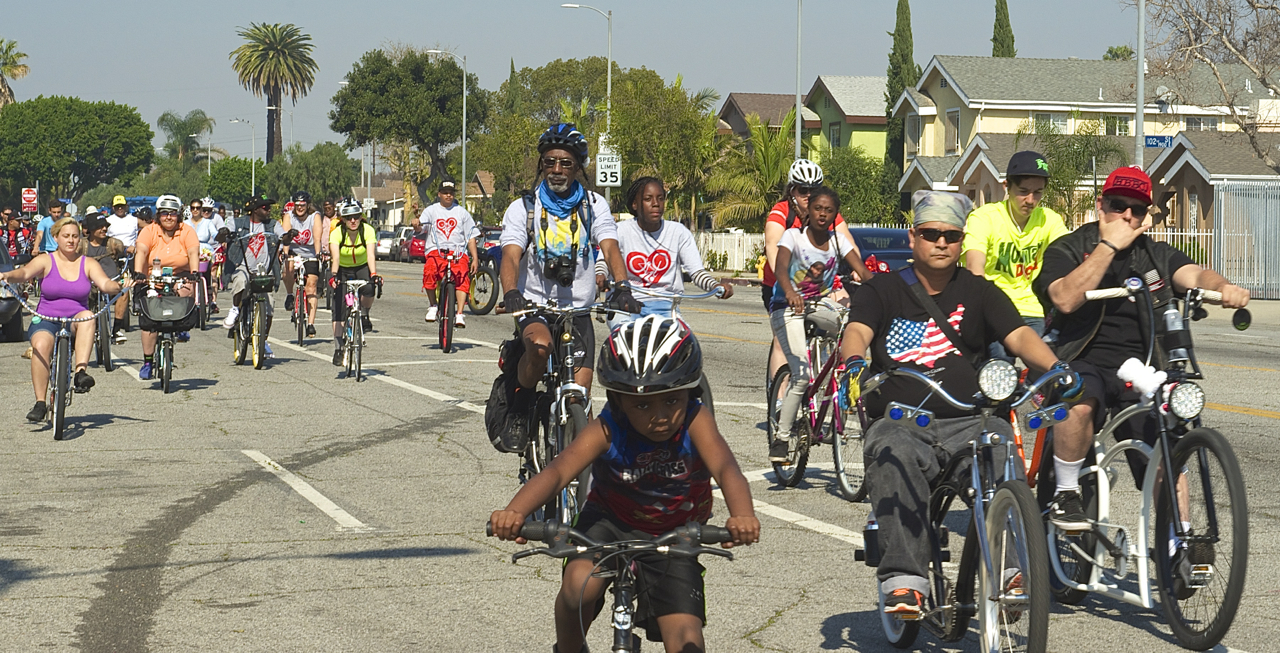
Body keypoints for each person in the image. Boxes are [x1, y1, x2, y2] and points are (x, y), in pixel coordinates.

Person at [837, 190, 1081, 615]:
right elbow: (857, 330)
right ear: (913, 236)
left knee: (1001, 449)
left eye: (951, 236)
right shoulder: (882, 289)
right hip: (902, 420)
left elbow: (1020, 336)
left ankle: (1011, 571)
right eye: (931, 233)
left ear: (961, 241)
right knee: (893, 452)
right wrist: (854, 362)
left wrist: (1057, 367)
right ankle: (905, 581)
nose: (941, 242)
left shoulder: (980, 291)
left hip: (971, 419)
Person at [489, 316, 760, 653]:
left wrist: (742, 514)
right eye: (642, 404)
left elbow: (727, 468)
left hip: (675, 531)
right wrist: (515, 512)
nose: (660, 415)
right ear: (618, 400)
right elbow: (558, 471)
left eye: (672, 400)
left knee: (686, 637)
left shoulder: (695, 419)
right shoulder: (608, 427)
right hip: (609, 521)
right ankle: (570, 648)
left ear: (689, 393)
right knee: (578, 587)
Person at [1033, 166, 1250, 531]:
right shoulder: (1068, 247)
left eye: (1136, 209)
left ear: (1146, 215)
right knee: (1078, 399)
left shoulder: (1156, 255)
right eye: (1118, 206)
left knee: (1167, 441)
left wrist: (1224, 287)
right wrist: (1107, 247)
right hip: (1082, 360)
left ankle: (1178, 540)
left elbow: (1195, 275)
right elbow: (1065, 298)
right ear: (1101, 206)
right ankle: (1066, 493)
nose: (1127, 216)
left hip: (1142, 369)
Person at [497, 123, 636, 446]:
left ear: (577, 168)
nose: (557, 170)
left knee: (579, 395)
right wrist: (511, 292)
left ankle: (581, 467)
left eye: (565, 163)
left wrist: (622, 285)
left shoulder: (593, 205)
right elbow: (511, 255)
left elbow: (610, 246)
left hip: (579, 311)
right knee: (540, 348)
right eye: (550, 162)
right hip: (535, 306)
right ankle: (519, 408)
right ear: (541, 165)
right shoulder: (524, 208)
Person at [767, 187, 868, 462]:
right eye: (818, 209)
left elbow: (862, 271)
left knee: (852, 325)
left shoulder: (838, 242)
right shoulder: (793, 237)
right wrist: (789, 291)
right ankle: (782, 438)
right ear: (808, 211)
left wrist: (885, 292)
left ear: (835, 215)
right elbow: (780, 268)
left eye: (829, 210)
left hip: (818, 304)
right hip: (787, 306)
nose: (823, 214)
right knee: (800, 376)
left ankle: (838, 381)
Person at [0, 217, 129, 421]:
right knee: (41, 345)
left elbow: (105, 284)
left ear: (80, 239)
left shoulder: (88, 263)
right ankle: (40, 403)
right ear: (56, 237)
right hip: (47, 317)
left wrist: (119, 285)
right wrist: (7, 276)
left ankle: (80, 372)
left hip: (76, 319)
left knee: (88, 316)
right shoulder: (45, 260)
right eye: (66, 236)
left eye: (75, 236)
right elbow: (24, 273)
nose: (71, 240)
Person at [761, 159, 868, 383]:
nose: (808, 195)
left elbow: (848, 242)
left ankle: (837, 374)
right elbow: (772, 246)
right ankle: (780, 396)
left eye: (814, 190)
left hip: (818, 284)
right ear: (792, 191)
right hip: (782, 286)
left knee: (847, 315)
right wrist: (788, 285)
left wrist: (859, 270)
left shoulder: (825, 213)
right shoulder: (781, 213)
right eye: (803, 190)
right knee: (782, 340)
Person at [963, 151, 1069, 361]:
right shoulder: (984, 218)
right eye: (1023, 191)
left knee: (1042, 362)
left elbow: (1068, 255)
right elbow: (975, 268)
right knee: (1000, 362)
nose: (1031, 200)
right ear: (1007, 186)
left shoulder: (1049, 220)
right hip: (993, 307)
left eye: (1038, 192)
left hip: (1033, 310)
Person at [596, 176, 734, 328]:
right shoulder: (620, 230)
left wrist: (715, 286)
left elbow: (697, 273)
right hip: (626, 305)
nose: (656, 204)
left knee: (683, 339)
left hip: (667, 306)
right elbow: (604, 261)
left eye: (660, 198)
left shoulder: (678, 232)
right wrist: (600, 275)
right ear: (635, 204)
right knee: (625, 336)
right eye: (648, 199)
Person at [218, 194, 292, 361]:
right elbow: (223, 236)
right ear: (255, 209)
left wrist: (289, 235)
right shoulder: (237, 223)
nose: (269, 210)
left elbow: (284, 237)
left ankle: (262, 340)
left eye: (269, 207)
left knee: (269, 304)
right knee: (240, 280)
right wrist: (224, 233)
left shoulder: (273, 224)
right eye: (265, 207)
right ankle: (235, 309)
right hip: (242, 265)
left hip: (264, 269)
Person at [133, 195, 200, 378]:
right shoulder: (149, 231)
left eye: (172, 213)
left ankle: (182, 326)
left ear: (178, 215)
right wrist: (139, 273)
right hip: (152, 278)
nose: (168, 217)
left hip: (179, 276)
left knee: (187, 289)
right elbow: (141, 251)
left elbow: (193, 252)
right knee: (149, 318)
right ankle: (148, 362)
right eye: (164, 213)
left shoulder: (187, 231)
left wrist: (194, 272)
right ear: (158, 215)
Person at [327, 198, 380, 365]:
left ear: (361, 216)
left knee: (370, 288)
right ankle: (338, 348)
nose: (353, 220)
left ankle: (364, 314)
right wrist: (333, 275)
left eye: (356, 216)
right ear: (343, 219)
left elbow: (370, 255)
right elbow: (335, 258)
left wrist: (373, 274)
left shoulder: (367, 230)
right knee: (339, 307)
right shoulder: (336, 233)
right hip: (342, 268)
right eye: (348, 217)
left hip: (361, 266)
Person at [420, 180, 478, 328]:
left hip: (457, 252)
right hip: (436, 251)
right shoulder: (431, 211)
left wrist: (475, 258)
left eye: (451, 193)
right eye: (445, 193)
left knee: (462, 276)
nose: (448, 196)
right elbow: (421, 227)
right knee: (430, 271)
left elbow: (471, 236)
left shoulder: (462, 213)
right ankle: (433, 305)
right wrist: (416, 224)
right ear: (439, 194)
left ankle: (459, 313)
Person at [281, 190, 327, 337]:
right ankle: (290, 294)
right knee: (287, 267)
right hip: (294, 251)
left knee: (311, 286)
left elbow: (317, 238)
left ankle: (311, 324)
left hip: (310, 253)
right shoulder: (289, 216)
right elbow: (286, 238)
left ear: (308, 205)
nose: (300, 208)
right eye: (297, 205)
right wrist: (285, 254)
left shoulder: (315, 216)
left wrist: (318, 254)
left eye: (302, 205)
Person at [186, 197, 223, 315]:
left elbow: (215, 234)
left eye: (198, 208)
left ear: (201, 209)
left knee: (209, 274)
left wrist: (222, 236)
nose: (195, 210)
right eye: (193, 208)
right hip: (188, 251)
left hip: (205, 251)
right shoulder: (185, 223)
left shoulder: (208, 223)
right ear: (190, 209)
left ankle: (210, 296)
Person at [81, 213, 127, 280]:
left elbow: (123, 249)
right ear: (91, 228)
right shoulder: (82, 244)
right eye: (100, 226)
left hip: (111, 283)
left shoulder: (112, 243)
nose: (105, 229)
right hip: (89, 284)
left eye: (106, 226)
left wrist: (127, 249)